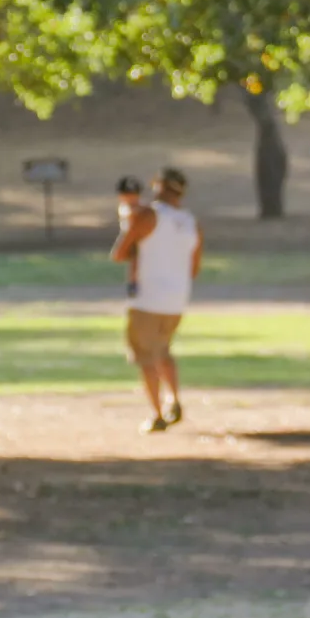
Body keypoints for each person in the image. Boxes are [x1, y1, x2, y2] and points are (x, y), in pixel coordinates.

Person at [110, 167, 202, 434]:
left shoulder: (149, 215)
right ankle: (175, 399)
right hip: (177, 299)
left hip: (147, 298)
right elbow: (193, 266)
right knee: (163, 349)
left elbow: (120, 252)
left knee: (145, 355)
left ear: (159, 187)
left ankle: (156, 412)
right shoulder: (190, 221)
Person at [115, 176, 144, 298]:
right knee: (135, 258)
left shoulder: (142, 210)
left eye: (134, 195)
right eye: (128, 195)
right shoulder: (125, 209)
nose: (132, 198)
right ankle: (133, 285)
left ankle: (134, 285)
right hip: (135, 244)